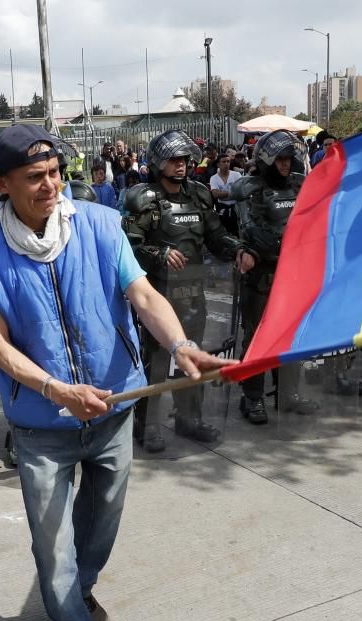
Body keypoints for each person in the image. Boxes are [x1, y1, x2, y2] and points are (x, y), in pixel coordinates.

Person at [0, 123, 228, 621]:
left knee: (100, 528)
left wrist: (180, 346)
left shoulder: (102, 225)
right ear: (3, 183)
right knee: (54, 547)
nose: (50, 185)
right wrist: (57, 391)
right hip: (41, 425)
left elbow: (144, 297)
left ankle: (81, 591)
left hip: (114, 407)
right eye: (35, 177)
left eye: (55, 172)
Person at [124, 130, 241, 452]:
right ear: (159, 162)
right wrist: (158, 254)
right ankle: (145, 424)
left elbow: (216, 236)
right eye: (174, 160)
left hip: (194, 293)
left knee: (192, 358)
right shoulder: (143, 199)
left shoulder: (200, 195)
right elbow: (129, 248)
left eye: (185, 160)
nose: (181, 165)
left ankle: (189, 418)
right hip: (157, 296)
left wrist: (238, 250)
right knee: (157, 364)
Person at [231, 129, 321, 424]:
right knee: (257, 338)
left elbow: (313, 219)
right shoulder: (251, 189)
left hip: (294, 276)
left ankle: (288, 394)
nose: (285, 164)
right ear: (268, 160)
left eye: (288, 158)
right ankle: (253, 398)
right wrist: (284, 244)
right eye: (279, 159)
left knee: (292, 336)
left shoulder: (299, 184)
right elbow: (251, 230)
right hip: (262, 276)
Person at [209, 153, 240, 234]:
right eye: (223, 162)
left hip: (236, 208)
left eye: (228, 161)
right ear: (218, 164)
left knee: (236, 231)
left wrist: (223, 193)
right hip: (221, 208)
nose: (226, 164)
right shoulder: (214, 178)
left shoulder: (237, 175)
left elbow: (240, 191)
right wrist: (232, 192)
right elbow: (215, 194)